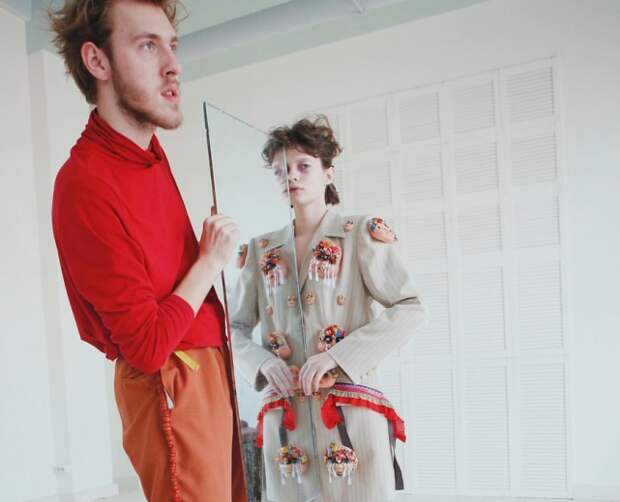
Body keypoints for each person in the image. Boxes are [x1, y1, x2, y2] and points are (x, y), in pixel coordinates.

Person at [49, 1, 246, 500]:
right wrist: (208, 263)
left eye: (172, 46)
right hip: (171, 377)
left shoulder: (148, 154)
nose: (173, 64)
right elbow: (146, 346)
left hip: (209, 366)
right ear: (98, 61)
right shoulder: (85, 182)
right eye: (147, 46)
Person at [231, 116, 428, 501]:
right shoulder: (259, 249)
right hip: (286, 421)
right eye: (280, 171)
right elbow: (233, 328)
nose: (291, 176)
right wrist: (262, 362)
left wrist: (337, 357)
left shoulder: (360, 233)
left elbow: (410, 307)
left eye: (303, 166)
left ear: (328, 173)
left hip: (350, 416)